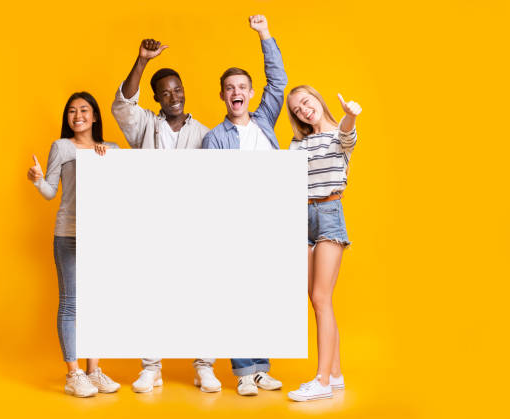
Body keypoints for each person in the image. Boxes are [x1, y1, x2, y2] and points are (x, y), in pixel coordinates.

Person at [111, 39, 220, 394]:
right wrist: (142, 61)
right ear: (157, 98)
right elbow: (124, 103)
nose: (174, 97)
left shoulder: (205, 135)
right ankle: (151, 368)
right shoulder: (144, 126)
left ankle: (204, 366)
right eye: (166, 93)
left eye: (178, 90)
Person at [202, 14, 288, 396]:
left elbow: (280, 82)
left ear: (250, 94)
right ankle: (242, 371)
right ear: (222, 95)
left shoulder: (265, 121)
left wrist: (264, 34)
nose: (236, 92)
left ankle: (261, 369)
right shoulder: (214, 138)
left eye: (242, 87)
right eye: (229, 88)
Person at [27, 92, 121, 397]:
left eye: (84, 110)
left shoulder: (111, 149)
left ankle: (94, 371)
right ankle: (73, 374)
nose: (77, 115)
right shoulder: (62, 147)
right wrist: (38, 179)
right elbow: (50, 191)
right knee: (70, 302)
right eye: (71, 111)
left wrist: (107, 162)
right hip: (68, 233)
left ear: (95, 116)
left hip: (100, 236)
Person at [284, 86, 362, 402]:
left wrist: (349, 116)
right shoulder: (297, 143)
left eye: (306, 102)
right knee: (317, 299)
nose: (303, 110)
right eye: (296, 109)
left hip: (329, 212)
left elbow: (347, 137)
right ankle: (336, 374)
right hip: (301, 216)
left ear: (318, 99)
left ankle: (322, 380)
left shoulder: (338, 135)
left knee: (320, 297)